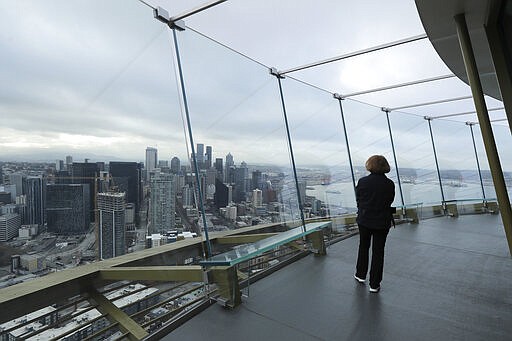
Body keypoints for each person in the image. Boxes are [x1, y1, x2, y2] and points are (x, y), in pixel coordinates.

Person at [354, 155, 395, 293]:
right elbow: (389, 201)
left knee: (363, 247)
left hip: (365, 219)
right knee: (378, 252)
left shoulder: (363, 181)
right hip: (382, 221)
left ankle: (360, 275)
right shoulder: (390, 184)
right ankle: (374, 284)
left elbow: (359, 199)